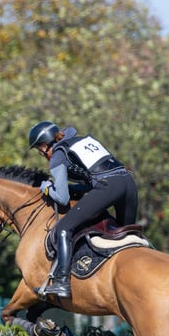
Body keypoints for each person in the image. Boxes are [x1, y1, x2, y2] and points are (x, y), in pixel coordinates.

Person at [28, 120, 138, 298]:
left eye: (39, 150)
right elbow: (91, 182)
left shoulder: (58, 155)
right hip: (128, 184)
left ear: (44, 145)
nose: (41, 154)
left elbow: (62, 199)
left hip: (108, 186)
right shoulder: (83, 141)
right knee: (128, 237)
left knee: (63, 228)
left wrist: (47, 188)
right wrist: (71, 189)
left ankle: (62, 282)